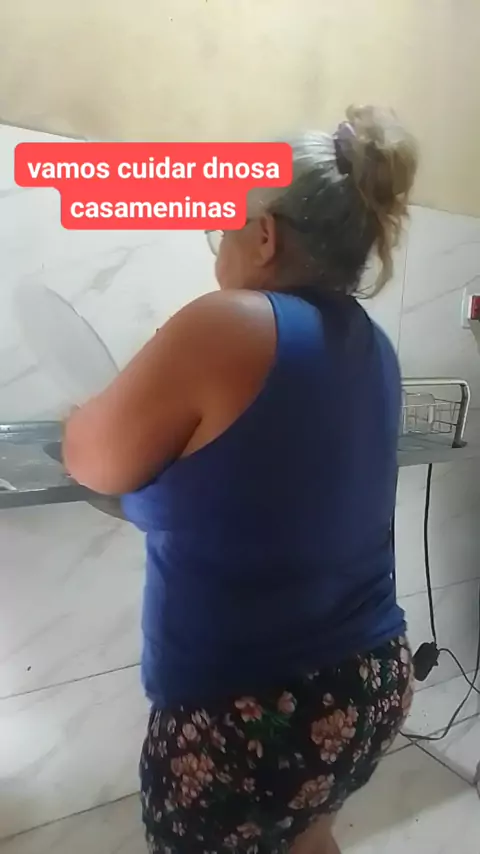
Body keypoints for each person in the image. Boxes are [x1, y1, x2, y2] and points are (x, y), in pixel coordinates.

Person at [63, 105, 418, 854]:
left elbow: (93, 461)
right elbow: (250, 478)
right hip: (367, 683)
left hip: (247, 710)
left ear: (263, 236)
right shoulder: (374, 345)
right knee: (307, 836)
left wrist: (81, 417)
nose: (215, 247)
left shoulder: (229, 321)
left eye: (219, 228)